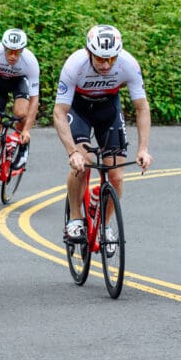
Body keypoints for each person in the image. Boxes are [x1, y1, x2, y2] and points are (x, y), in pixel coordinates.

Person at [53, 24, 152, 249]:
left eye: (111, 59)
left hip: (108, 111)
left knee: (115, 175)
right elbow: (59, 113)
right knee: (84, 162)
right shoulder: (74, 65)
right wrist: (72, 151)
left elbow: (142, 108)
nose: (107, 65)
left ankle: (105, 226)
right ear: (89, 52)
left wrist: (143, 149)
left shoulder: (128, 64)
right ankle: (75, 218)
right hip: (79, 110)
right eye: (100, 59)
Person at [0, 28, 40, 170]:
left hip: (19, 82)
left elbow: (35, 99)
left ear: (23, 50)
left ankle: (22, 146)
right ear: (4, 47)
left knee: (21, 114)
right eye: (9, 51)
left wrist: (27, 129)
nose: (13, 56)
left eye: (17, 52)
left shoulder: (30, 62)